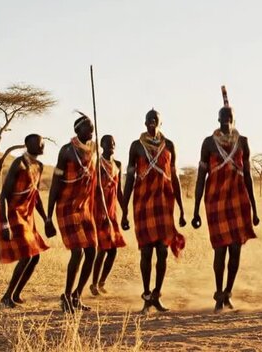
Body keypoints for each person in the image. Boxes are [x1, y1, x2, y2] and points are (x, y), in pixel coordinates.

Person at [191, 86, 259, 312]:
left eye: (229, 118)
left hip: (239, 201)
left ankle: (228, 292)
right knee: (220, 249)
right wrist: (195, 210)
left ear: (234, 119)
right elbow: (201, 177)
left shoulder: (243, 142)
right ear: (218, 119)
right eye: (223, 117)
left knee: (236, 250)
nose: (226, 121)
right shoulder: (208, 143)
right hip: (216, 202)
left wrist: (255, 208)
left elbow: (248, 176)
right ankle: (218, 294)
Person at [121, 109, 187, 313]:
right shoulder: (136, 146)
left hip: (164, 204)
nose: (152, 122)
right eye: (149, 120)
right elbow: (130, 179)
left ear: (160, 122)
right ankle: (146, 295)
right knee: (147, 252)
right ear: (144, 123)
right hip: (142, 203)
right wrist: (123, 211)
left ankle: (157, 294)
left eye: (155, 120)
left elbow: (174, 177)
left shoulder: (169, 146)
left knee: (162, 251)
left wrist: (182, 210)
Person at [46, 114, 109, 313]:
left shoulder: (94, 151)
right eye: (88, 128)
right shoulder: (66, 152)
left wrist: (105, 212)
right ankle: (65, 295)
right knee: (78, 252)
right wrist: (48, 217)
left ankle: (77, 295)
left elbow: (98, 184)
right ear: (77, 131)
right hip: (66, 207)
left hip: (85, 208)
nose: (92, 132)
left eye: (93, 128)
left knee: (92, 250)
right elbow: (55, 185)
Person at [0, 134, 50, 308]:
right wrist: (4, 223)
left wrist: (46, 218)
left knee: (35, 257)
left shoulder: (39, 166)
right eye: (38, 143)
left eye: (43, 143)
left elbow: (35, 195)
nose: (42, 146)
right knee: (27, 254)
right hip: (14, 213)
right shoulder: (19, 163)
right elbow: (4, 194)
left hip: (28, 215)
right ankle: (7, 296)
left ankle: (16, 293)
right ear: (28, 145)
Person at [90, 134, 126, 296]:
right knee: (103, 249)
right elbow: (93, 189)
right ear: (101, 145)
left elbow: (119, 191)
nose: (111, 145)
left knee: (113, 250)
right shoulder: (97, 164)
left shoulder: (117, 164)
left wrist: (125, 211)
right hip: (99, 210)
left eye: (113, 143)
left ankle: (102, 282)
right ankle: (93, 284)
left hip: (112, 212)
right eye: (107, 143)